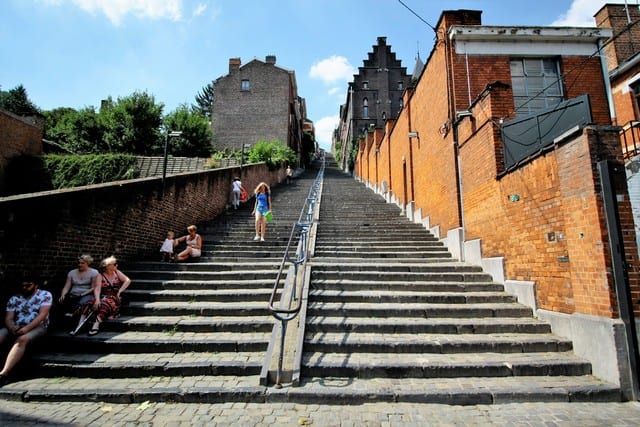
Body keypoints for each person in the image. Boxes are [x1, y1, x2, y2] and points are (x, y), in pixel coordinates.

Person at [0, 277, 52, 386]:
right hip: (17, 325)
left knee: (22, 340)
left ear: (35, 285)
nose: (25, 288)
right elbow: (9, 318)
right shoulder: (15, 298)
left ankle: (4, 373)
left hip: (37, 326)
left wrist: (26, 329)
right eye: (23, 286)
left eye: (28, 285)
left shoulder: (45, 295)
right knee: (1, 334)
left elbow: (42, 316)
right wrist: (13, 327)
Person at [71, 256, 131, 336]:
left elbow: (127, 280)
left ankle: (96, 325)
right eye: (115, 264)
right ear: (108, 266)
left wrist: (120, 291)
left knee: (105, 305)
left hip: (114, 298)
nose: (116, 266)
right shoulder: (100, 276)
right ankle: (78, 326)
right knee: (89, 303)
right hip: (103, 296)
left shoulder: (117, 272)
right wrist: (97, 300)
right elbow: (97, 289)